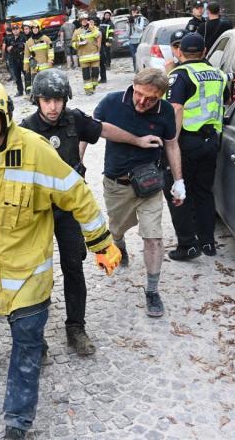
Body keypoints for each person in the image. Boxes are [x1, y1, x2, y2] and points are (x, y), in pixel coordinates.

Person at [0, 76, 121, 439]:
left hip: (30, 271)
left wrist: (102, 243)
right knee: (20, 329)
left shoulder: (34, 150)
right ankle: (36, 342)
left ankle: (17, 422)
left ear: (4, 115)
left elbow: (78, 196)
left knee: (24, 343)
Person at [20, 69, 163, 355]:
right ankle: (36, 338)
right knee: (35, 274)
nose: (52, 106)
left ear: (65, 99)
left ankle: (76, 328)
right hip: (36, 214)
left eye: (58, 99)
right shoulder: (24, 130)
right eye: (46, 100)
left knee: (73, 268)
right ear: (37, 100)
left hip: (69, 210)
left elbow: (103, 129)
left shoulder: (74, 119)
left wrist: (136, 140)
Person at [93, 68, 184, 318]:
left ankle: (152, 290)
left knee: (153, 237)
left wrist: (179, 181)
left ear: (161, 97)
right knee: (116, 230)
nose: (143, 102)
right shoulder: (112, 102)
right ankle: (120, 246)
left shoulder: (165, 111)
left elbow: (172, 144)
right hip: (117, 184)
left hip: (149, 185)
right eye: (140, 94)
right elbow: (94, 129)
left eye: (152, 98)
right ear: (133, 85)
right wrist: (78, 164)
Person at [164, 33, 229, 260]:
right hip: (210, 141)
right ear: (204, 51)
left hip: (185, 142)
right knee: (204, 192)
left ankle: (187, 246)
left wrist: (169, 144)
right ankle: (208, 243)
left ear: (180, 51)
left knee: (178, 192)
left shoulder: (180, 75)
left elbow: (175, 109)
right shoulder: (219, 75)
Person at [71, 13, 101, 95]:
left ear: (87, 20)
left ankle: (93, 86)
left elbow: (98, 35)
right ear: (80, 22)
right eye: (82, 20)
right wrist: (78, 44)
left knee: (95, 73)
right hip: (83, 57)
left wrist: (92, 28)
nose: (84, 21)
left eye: (85, 20)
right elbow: (73, 44)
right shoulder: (77, 32)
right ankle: (88, 90)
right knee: (86, 75)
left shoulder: (94, 29)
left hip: (94, 56)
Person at [23, 23, 53, 93]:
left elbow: (50, 50)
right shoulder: (29, 42)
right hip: (35, 68)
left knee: (48, 85)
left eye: (36, 28)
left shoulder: (46, 38)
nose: (35, 29)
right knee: (35, 86)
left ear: (39, 28)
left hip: (46, 67)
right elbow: (26, 56)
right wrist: (26, 68)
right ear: (31, 29)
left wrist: (50, 59)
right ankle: (35, 98)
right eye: (33, 28)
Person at [5, 24, 27, 97]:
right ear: (12, 31)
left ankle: (28, 90)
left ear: (19, 29)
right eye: (13, 29)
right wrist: (9, 48)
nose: (15, 30)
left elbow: (26, 45)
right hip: (13, 60)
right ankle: (20, 91)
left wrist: (15, 45)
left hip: (23, 59)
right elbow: (7, 49)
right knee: (17, 77)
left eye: (16, 29)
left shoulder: (23, 37)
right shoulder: (9, 39)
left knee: (26, 76)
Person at [127, 6, 148, 71]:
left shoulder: (140, 19)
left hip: (139, 40)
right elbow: (127, 30)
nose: (133, 13)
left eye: (134, 11)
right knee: (134, 56)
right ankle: (136, 70)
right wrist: (129, 24)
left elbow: (140, 29)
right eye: (132, 11)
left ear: (137, 11)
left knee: (139, 56)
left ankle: (141, 70)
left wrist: (134, 25)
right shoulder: (129, 19)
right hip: (131, 40)